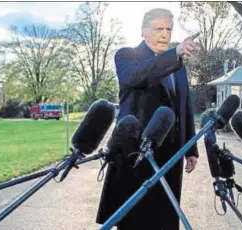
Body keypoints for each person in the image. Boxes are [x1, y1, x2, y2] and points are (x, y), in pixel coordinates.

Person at [96, 8, 201, 230]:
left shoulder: (178, 66)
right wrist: (174, 54)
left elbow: (185, 107)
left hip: (170, 156)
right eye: (158, 29)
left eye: (169, 29)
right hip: (135, 154)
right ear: (144, 31)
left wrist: (191, 149)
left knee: (165, 218)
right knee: (136, 218)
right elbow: (137, 76)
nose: (164, 34)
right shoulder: (127, 56)